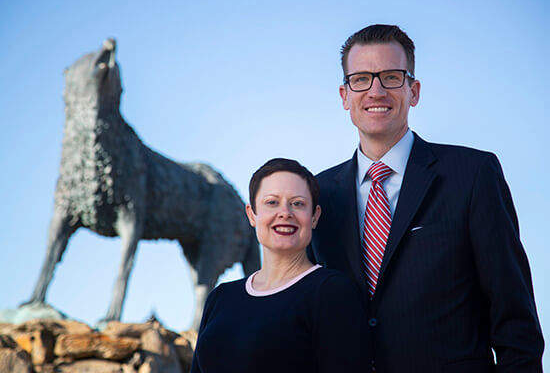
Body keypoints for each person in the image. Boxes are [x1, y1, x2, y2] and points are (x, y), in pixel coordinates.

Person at [308, 24, 544, 372]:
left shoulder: (472, 174)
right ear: (345, 95)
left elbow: (514, 318)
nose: (375, 90)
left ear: (413, 91)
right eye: (360, 79)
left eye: (390, 76)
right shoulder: (317, 195)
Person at [191, 158, 369, 373]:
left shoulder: (332, 292)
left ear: (314, 217)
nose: (285, 212)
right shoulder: (219, 298)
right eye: (272, 202)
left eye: (298, 203)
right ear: (252, 215)